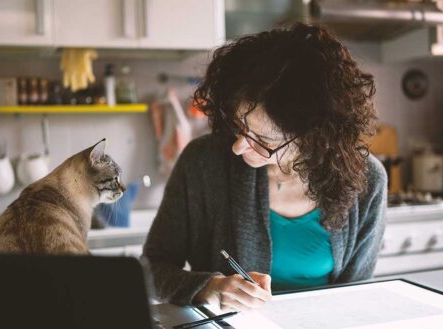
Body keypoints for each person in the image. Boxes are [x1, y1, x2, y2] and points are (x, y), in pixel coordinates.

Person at [142, 23, 387, 312]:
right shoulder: (202, 162)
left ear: (314, 136)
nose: (238, 147)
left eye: (263, 140)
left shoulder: (366, 180)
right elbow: (151, 271)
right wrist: (209, 287)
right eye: (238, 126)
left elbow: (355, 296)